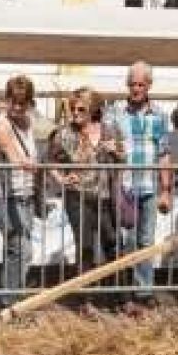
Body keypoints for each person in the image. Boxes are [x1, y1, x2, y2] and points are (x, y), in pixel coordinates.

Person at [104, 61, 173, 310]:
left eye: (141, 84)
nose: (136, 89)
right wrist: (109, 147)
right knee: (126, 241)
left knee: (146, 241)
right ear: (127, 84)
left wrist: (166, 189)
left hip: (150, 186)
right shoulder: (114, 112)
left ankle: (144, 291)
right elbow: (106, 143)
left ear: (149, 86)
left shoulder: (161, 115)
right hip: (124, 186)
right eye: (132, 84)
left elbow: (164, 153)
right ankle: (124, 293)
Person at [48, 87, 118, 287]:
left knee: (112, 243)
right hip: (77, 197)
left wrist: (115, 151)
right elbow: (49, 161)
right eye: (73, 109)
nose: (76, 113)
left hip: (105, 197)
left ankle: (118, 294)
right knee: (85, 246)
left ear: (93, 109)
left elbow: (123, 158)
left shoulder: (109, 130)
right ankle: (85, 298)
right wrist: (61, 179)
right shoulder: (63, 133)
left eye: (81, 109)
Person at [0, 75, 40, 310]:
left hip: (25, 195)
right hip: (3, 197)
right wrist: (23, 162)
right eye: (13, 101)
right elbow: (9, 149)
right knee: (20, 248)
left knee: (18, 250)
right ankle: (10, 303)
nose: (17, 107)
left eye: (22, 102)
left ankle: (10, 300)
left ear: (29, 102)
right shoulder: (1, 124)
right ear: (6, 100)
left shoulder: (29, 122)